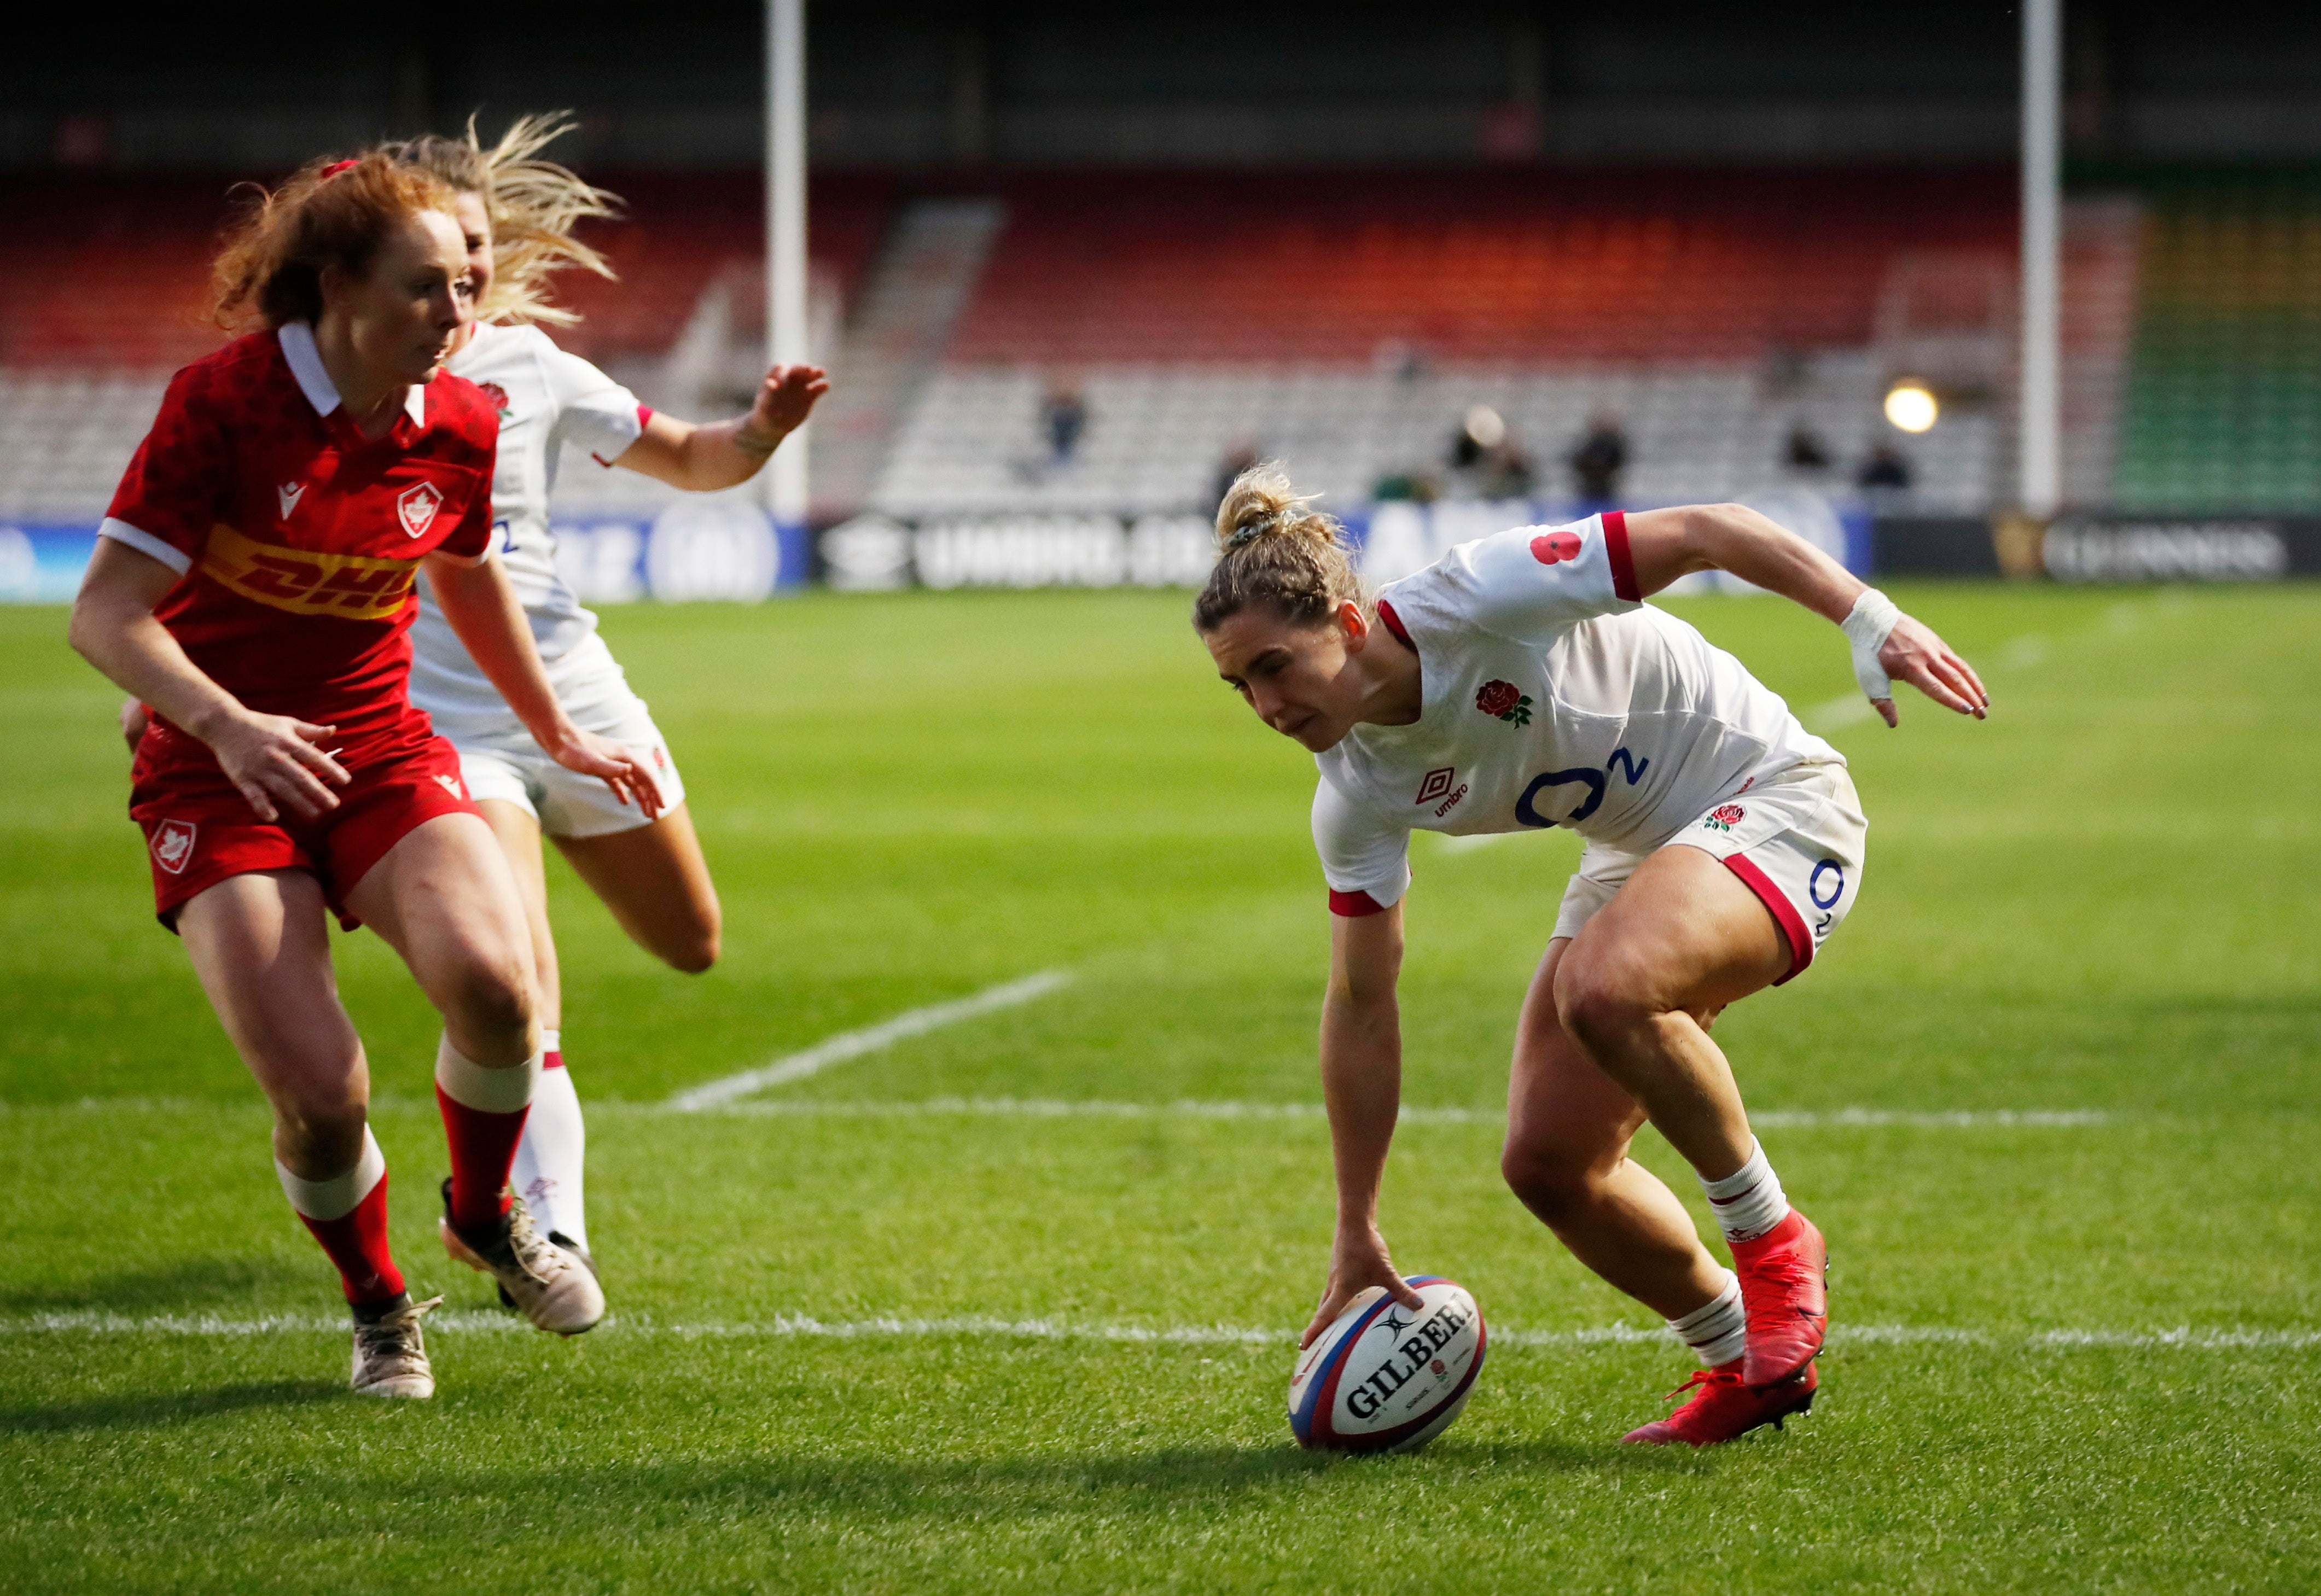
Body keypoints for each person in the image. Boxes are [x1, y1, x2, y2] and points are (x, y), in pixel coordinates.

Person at [1194, 464, 1986, 1446]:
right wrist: (1355, 1222)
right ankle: (1743, 1358)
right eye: (1238, 685)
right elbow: (1361, 1002)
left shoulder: (1477, 592)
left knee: (1603, 986)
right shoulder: (1351, 791)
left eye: (1273, 665)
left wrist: (1867, 618)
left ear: (1348, 627)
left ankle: (1772, 1238)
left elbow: (1708, 524)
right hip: (1644, 848)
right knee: (1550, 1163)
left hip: (1776, 797)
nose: (1263, 704)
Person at [72, 152, 662, 1400]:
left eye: (465, 287)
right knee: (326, 1097)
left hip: (380, 749)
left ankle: (489, 1209)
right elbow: (107, 613)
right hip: (218, 778)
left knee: (501, 991)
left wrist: (552, 730)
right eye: (425, 291)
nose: (457, 319)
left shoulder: (457, 415)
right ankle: (381, 1304)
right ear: (334, 285)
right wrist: (225, 723)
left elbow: (463, 573)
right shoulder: (222, 404)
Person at [382, 119, 825, 1288]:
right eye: (435, 253)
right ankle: (544, 1230)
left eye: (475, 245)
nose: (464, 272)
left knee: (691, 941)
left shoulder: (529, 365)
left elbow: (692, 456)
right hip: (442, 721)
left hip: (575, 687)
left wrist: (765, 430)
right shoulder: (346, 383)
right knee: (518, 991)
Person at [1568, 410, 1627, 505]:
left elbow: (1618, 462)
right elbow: (1578, 461)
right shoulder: (1588, 442)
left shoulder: (1614, 443)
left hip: (1605, 486)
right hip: (1588, 486)